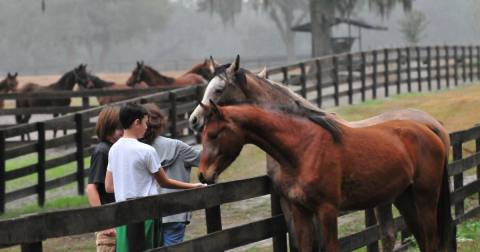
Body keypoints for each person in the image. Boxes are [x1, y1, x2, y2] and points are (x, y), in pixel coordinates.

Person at [105, 102, 204, 251]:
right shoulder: (146, 150)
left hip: (124, 215)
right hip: (147, 215)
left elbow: (109, 187)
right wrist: (193, 186)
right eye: (145, 123)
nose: (146, 127)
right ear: (137, 122)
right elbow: (164, 182)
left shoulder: (114, 149)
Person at [140, 103, 202, 246]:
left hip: (146, 214)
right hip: (176, 212)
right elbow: (203, 159)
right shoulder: (177, 147)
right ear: (160, 123)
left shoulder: (134, 150)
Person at [86, 105, 123, 252]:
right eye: (119, 127)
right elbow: (91, 189)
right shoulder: (102, 151)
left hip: (121, 220)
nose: (123, 131)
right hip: (109, 227)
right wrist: (104, 222)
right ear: (108, 127)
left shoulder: (117, 148)